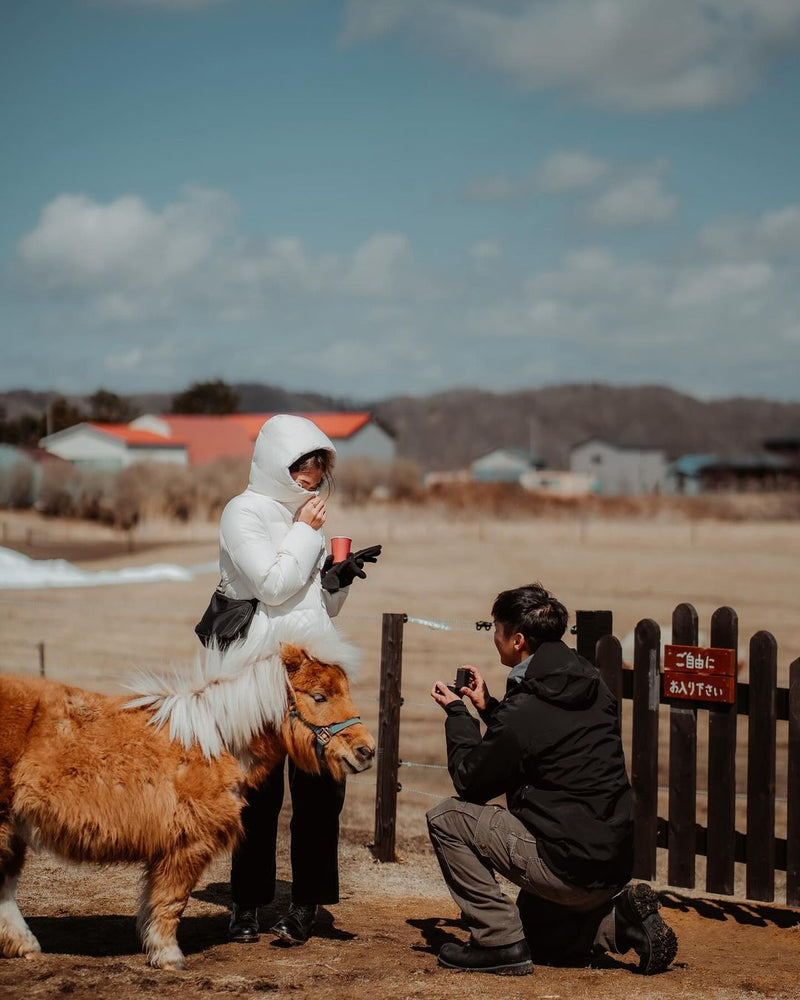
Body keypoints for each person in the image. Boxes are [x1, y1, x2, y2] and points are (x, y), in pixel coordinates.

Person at [427, 583, 677, 976]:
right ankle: (622, 922)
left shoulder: (526, 705)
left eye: (496, 629)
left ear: (518, 640)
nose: (494, 637)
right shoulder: (590, 683)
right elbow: (543, 745)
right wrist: (490, 708)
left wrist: (458, 715)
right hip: (611, 862)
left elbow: (469, 781)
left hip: (566, 865)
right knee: (538, 935)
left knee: (446, 818)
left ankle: (497, 943)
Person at [215, 414, 381, 946]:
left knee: (318, 796)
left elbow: (313, 604)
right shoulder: (242, 513)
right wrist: (307, 533)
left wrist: (338, 581)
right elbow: (271, 584)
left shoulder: (307, 519)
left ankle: (306, 903)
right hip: (262, 672)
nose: (311, 478)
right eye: (302, 467)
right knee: (256, 797)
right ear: (275, 465)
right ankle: (246, 903)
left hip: (315, 671)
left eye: (318, 468)